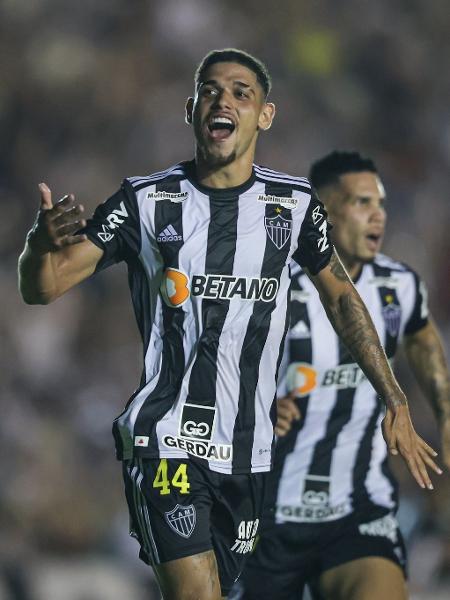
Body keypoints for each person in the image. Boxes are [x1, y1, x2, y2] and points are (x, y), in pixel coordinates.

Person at [18, 50, 441, 600]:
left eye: (242, 92)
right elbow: (44, 286)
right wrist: (36, 246)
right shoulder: (147, 202)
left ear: (265, 115)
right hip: (165, 438)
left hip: (250, 452)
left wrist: (395, 398)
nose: (224, 100)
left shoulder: (292, 207)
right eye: (212, 90)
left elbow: (341, 297)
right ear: (192, 109)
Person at [232, 151, 450, 600]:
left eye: (382, 203)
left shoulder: (398, 285)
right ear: (324, 214)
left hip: (355, 510)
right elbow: (216, 366)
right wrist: (256, 407)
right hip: (265, 513)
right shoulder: (270, 287)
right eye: (363, 203)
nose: (379, 216)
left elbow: (423, 336)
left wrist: (444, 409)